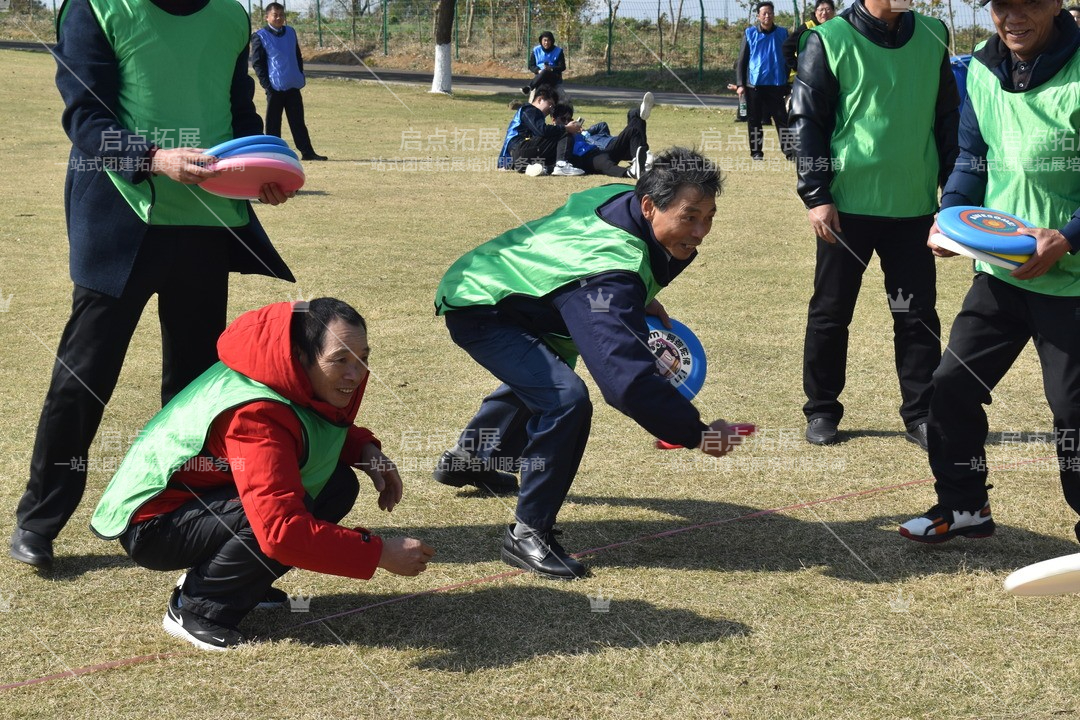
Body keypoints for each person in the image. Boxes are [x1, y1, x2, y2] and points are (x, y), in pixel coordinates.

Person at [10, 0, 296, 569]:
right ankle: (39, 519)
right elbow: (84, 119)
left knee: (194, 391)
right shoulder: (97, 9)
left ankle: (178, 515)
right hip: (120, 223)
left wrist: (265, 166)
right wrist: (155, 158)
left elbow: (240, 113)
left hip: (206, 225)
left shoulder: (230, 18)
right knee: (83, 379)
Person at [432, 147, 748, 580]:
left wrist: (636, 294)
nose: (701, 231)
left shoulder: (625, 201)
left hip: (523, 292)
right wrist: (696, 433)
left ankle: (471, 458)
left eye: (709, 216)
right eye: (690, 216)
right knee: (564, 399)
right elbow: (627, 382)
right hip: (483, 304)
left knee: (546, 377)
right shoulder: (608, 274)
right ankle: (528, 534)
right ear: (650, 205)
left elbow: (596, 254)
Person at [90, 299, 435, 650]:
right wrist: (378, 554)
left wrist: (362, 448)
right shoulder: (255, 412)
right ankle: (196, 608)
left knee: (336, 484)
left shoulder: (282, 373)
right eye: (339, 359)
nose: (355, 373)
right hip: (155, 525)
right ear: (299, 355)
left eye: (363, 357)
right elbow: (280, 531)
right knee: (280, 514)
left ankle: (239, 585)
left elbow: (305, 425)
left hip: (200, 499)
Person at [899, 0, 1080, 544]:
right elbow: (970, 158)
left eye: (1028, 3)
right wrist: (950, 218)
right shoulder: (979, 70)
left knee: (1074, 411)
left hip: (1071, 283)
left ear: (1054, 3)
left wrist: (1068, 237)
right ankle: (964, 506)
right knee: (951, 386)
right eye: (1002, 5)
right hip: (1000, 276)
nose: (1013, 16)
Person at [789, 0, 959, 448]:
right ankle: (822, 409)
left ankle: (921, 413)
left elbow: (948, 120)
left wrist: (954, 199)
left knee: (916, 315)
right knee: (832, 312)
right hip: (847, 208)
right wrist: (816, 193)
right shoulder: (828, 39)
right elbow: (806, 121)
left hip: (915, 207)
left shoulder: (933, 34)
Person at [251, 2, 327, 162]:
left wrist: (299, 73)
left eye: (281, 15)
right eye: (275, 15)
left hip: (292, 85)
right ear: (267, 17)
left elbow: (297, 56)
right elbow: (258, 63)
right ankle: (273, 153)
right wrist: (267, 85)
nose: (279, 18)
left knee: (298, 121)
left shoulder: (291, 32)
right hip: (274, 88)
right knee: (273, 123)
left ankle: (307, 152)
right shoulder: (260, 36)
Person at [736, 1, 794, 160]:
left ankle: (789, 152)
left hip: (776, 84)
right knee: (754, 120)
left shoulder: (782, 33)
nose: (767, 16)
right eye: (764, 13)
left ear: (773, 14)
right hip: (754, 85)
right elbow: (742, 60)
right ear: (758, 16)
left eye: (770, 13)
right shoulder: (750, 33)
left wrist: (786, 79)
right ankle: (756, 152)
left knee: (781, 119)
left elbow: (788, 58)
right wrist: (740, 84)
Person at [550, 93, 655, 178]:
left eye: (570, 119)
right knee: (603, 162)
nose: (567, 122)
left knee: (633, 129)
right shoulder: (554, 134)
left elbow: (601, 127)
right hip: (586, 159)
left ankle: (642, 159)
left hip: (600, 150)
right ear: (553, 120)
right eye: (563, 119)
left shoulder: (575, 131)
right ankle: (629, 173)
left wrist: (581, 132)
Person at [497, 84, 584, 176]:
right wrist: (567, 128)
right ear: (539, 99)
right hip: (521, 150)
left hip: (521, 158)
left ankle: (542, 169)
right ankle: (561, 166)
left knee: (574, 159)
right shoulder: (529, 110)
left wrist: (505, 164)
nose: (551, 110)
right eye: (550, 105)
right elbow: (542, 131)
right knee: (563, 132)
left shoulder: (533, 115)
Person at [783, 0, 836, 76]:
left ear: (833, 12)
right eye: (821, 10)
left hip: (831, 76)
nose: (824, 13)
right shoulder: (806, 28)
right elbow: (786, 47)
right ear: (815, 12)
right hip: (808, 77)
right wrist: (798, 67)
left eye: (828, 9)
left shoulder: (836, 29)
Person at [523, 31, 567, 99]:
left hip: (554, 77)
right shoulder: (536, 50)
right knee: (544, 72)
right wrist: (538, 71)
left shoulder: (559, 51)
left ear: (552, 41)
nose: (546, 43)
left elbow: (562, 67)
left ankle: (529, 87)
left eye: (549, 40)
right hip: (540, 77)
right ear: (541, 40)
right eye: (545, 40)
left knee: (546, 71)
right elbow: (531, 65)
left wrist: (551, 69)